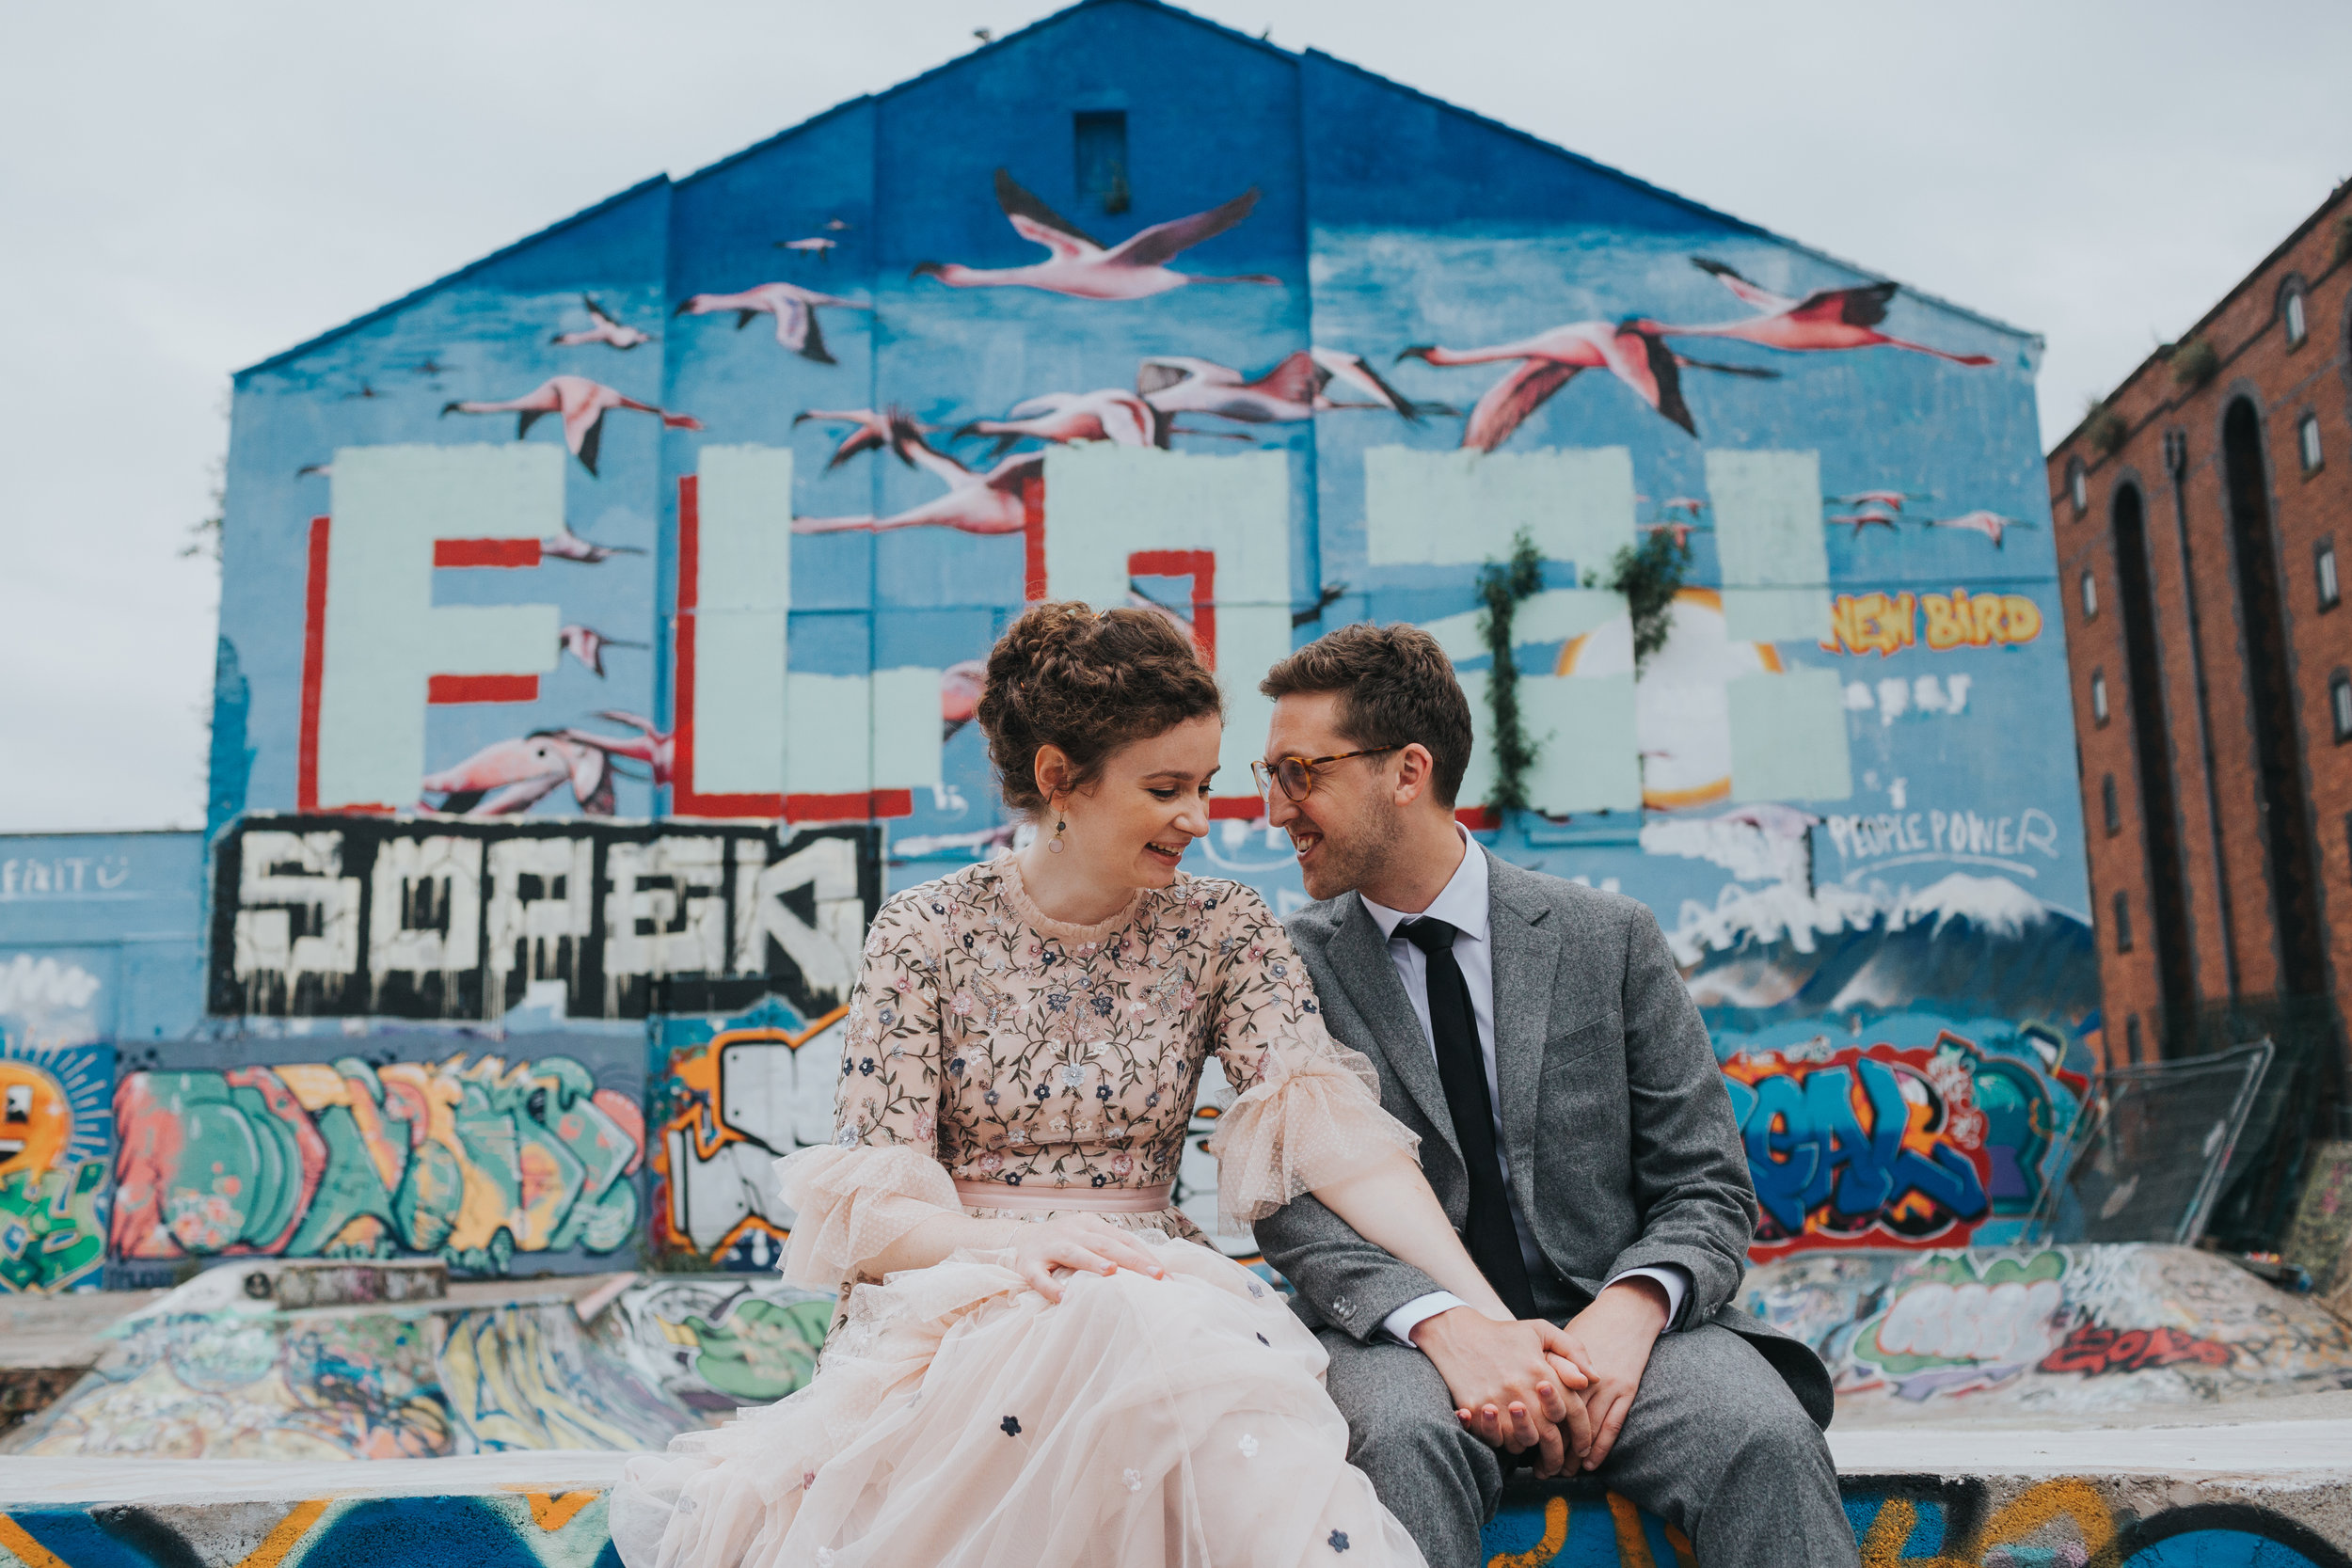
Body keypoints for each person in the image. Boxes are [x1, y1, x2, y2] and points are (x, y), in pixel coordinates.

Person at [612, 603, 1581, 1568]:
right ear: (1057, 779)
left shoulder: (1224, 927)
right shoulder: (924, 931)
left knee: (1141, 1321)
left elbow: (1338, 1144)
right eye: (1165, 788)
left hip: (1164, 1296)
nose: (1198, 818)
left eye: (1204, 784)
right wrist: (1021, 1244)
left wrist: (1490, 1317)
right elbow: (870, 1221)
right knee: (1109, 1314)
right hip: (960, 1296)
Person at [1249, 623, 1852, 1568]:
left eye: (1299, 773)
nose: (1274, 809)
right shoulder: (1286, 969)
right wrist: (1448, 1325)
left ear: (1406, 771)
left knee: (1762, 1436)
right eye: (1270, 773)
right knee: (1389, 1449)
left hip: (1624, 1335)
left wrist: (1629, 1308)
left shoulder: (1607, 937)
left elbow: (1706, 1184)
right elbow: (1292, 1209)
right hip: (1406, 1346)